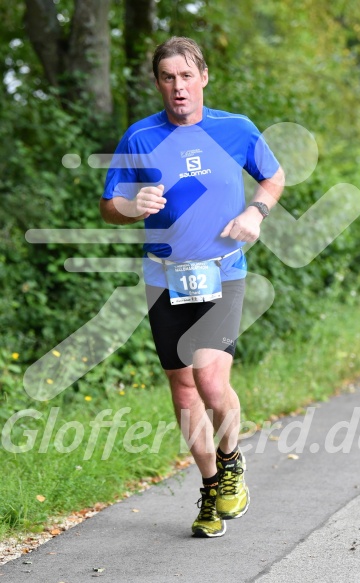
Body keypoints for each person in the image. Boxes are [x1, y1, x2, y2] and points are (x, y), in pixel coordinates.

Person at [100, 36, 284, 538]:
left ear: (203, 77)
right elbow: (109, 205)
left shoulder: (236, 129)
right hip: (164, 276)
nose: (178, 87)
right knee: (183, 394)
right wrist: (130, 208)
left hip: (223, 270)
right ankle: (209, 487)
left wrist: (256, 211)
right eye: (168, 77)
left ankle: (231, 460)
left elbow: (273, 176)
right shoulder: (140, 137)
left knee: (209, 381)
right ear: (157, 82)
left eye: (186, 76)